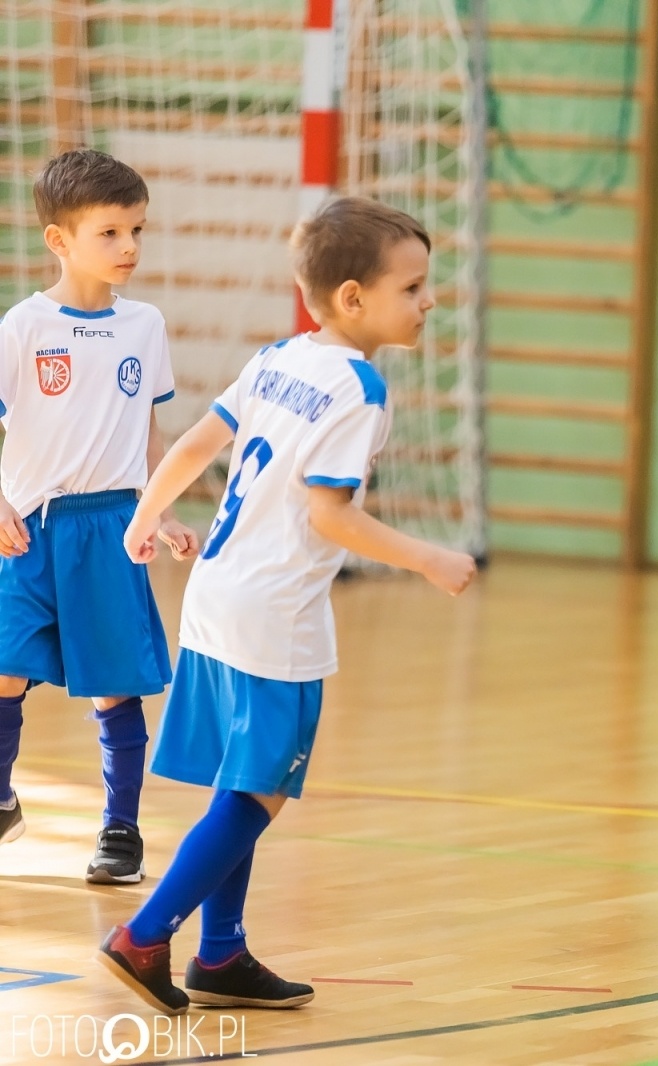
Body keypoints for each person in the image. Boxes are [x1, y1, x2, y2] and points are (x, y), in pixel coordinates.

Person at [96, 197, 477, 1015]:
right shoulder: (359, 387)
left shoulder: (278, 357)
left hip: (216, 596)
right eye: (413, 288)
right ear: (351, 297)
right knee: (259, 792)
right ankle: (144, 934)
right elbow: (328, 515)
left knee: (238, 783)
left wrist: (146, 513)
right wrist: (429, 560)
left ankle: (222, 955)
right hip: (276, 615)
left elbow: (200, 441)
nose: (429, 301)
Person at [0, 148, 199, 883]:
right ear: (60, 241)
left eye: (137, 231)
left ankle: (121, 831)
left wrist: (163, 509)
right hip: (28, 527)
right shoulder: (22, 326)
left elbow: (148, 433)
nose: (130, 248)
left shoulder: (144, 325)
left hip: (113, 527)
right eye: (110, 232)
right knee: (4, 665)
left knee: (115, 682)